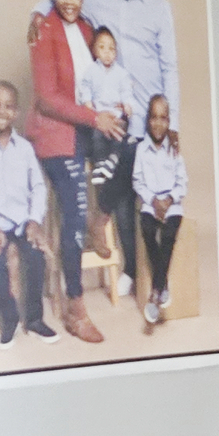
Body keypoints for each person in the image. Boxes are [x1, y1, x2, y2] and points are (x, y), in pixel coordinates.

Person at [81, 0, 178, 294]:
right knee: (124, 197)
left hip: (149, 119)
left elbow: (170, 68)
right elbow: (64, 5)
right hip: (115, 116)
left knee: (145, 194)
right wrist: (37, 12)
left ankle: (103, 219)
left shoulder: (158, 6)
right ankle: (132, 273)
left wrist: (174, 125)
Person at [20, 0, 112, 344]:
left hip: (83, 129)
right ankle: (75, 306)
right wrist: (94, 117)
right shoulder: (44, 27)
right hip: (56, 134)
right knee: (73, 207)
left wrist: (110, 113)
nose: (68, 1)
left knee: (128, 145)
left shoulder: (88, 29)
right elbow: (46, 99)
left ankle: (100, 217)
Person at [0, 81, 51, 346]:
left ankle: (35, 320)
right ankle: (9, 319)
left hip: (24, 221)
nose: (2, 111)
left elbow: (37, 186)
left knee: (36, 256)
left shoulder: (25, 149)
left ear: (15, 112)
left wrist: (34, 221)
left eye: (9, 106)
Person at [76, 22, 136, 291]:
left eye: (112, 49)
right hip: (99, 120)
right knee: (102, 138)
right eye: (103, 48)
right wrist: (91, 110)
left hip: (117, 117)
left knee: (123, 141)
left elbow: (127, 93)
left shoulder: (121, 74)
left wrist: (127, 107)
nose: (108, 53)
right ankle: (104, 163)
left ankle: (101, 210)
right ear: (95, 51)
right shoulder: (91, 72)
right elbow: (85, 92)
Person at [131, 93, 188, 328]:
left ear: (169, 121)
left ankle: (155, 293)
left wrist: (169, 200)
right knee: (147, 230)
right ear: (147, 120)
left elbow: (182, 182)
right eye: (153, 118)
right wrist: (153, 200)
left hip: (172, 205)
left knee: (167, 236)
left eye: (163, 118)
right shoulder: (142, 150)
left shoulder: (173, 148)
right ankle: (162, 284)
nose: (158, 123)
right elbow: (137, 180)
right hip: (150, 203)